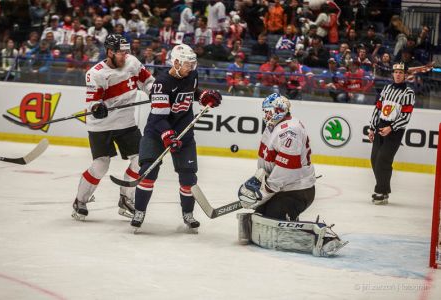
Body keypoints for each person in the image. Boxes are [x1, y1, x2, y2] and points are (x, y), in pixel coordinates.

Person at [236, 94, 345, 256]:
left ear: (278, 111)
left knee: (272, 220)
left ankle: (323, 237)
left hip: (297, 191)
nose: (265, 115)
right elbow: (268, 160)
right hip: (280, 187)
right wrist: (258, 182)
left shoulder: (290, 131)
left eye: (268, 111)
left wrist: (264, 191)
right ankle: (284, 216)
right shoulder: (273, 125)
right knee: (260, 215)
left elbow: (287, 169)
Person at [131, 44, 222, 231]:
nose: (191, 67)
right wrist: (168, 135)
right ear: (176, 62)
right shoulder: (162, 83)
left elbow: (192, 92)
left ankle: (188, 215)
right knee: (148, 172)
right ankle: (138, 212)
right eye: (188, 64)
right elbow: (158, 118)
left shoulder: (192, 76)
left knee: (188, 176)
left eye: (192, 63)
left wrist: (203, 96)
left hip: (184, 132)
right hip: (157, 132)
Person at [71, 34, 155, 221]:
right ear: (109, 52)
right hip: (101, 126)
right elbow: (93, 103)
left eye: (126, 51)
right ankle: (80, 201)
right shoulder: (96, 73)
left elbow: (148, 82)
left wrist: (155, 94)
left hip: (126, 123)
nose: (124, 55)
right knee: (101, 165)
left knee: (140, 160)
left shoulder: (132, 63)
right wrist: (97, 108)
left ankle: (126, 199)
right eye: (120, 52)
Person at [368, 63, 415, 205]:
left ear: (405, 75)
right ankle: (385, 189)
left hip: (395, 131)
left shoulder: (408, 93)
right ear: (393, 74)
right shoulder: (387, 88)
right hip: (380, 126)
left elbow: (406, 117)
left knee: (383, 159)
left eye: (401, 72)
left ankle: (380, 191)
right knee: (374, 159)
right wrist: (371, 127)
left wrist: (391, 127)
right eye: (395, 72)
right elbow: (378, 109)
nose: (398, 74)